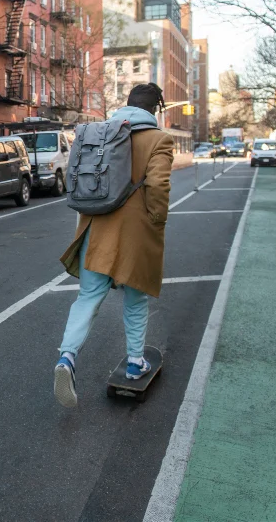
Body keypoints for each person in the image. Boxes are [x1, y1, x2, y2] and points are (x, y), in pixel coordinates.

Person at [53, 83, 175, 408]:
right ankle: (135, 363)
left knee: (87, 298)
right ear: (154, 109)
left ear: (128, 104)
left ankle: (67, 357)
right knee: (135, 299)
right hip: (134, 234)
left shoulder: (102, 132)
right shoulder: (159, 139)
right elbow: (158, 185)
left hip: (94, 228)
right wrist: (157, 220)